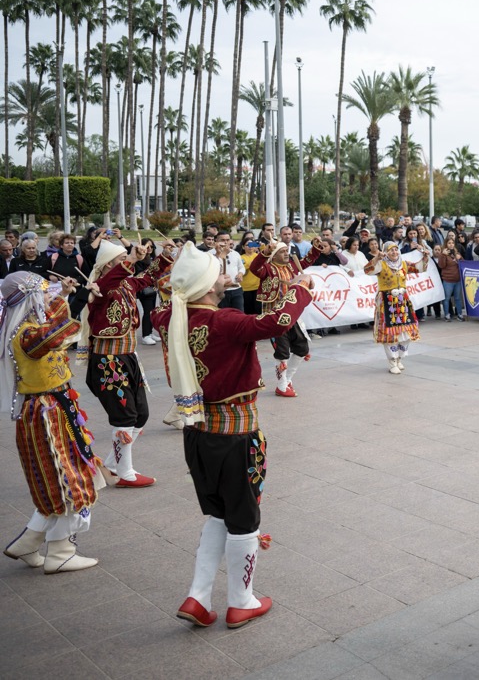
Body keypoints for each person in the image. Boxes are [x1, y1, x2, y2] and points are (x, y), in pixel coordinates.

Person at [154, 242, 315, 629]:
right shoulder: (221, 321)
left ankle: (198, 596)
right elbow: (275, 323)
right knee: (243, 519)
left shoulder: (171, 318)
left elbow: (168, 298)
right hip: (234, 436)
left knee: (217, 516)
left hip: (197, 434)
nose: (225, 274)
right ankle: (241, 600)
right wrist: (303, 290)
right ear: (208, 287)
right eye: (217, 273)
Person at [2, 272, 106, 574]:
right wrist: (64, 300)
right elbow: (55, 334)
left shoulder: (27, 328)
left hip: (55, 407)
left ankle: (29, 542)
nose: (49, 298)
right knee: (65, 478)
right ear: (30, 298)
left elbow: (56, 331)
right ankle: (61, 552)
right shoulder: (26, 334)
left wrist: (64, 298)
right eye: (43, 294)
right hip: (46, 412)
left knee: (60, 477)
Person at [80, 238, 168, 488]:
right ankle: (125, 472)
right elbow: (107, 285)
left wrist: (165, 256)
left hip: (128, 356)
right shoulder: (98, 287)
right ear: (108, 264)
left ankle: (112, 464)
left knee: (141, 414)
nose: (127, 264)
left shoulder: (127, 283)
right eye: (121, 260)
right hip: (108, 360)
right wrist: (130, 260)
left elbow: (148, 277)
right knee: (124, 415)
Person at [249, 240, 320, 397]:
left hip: (291, 314)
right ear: (274, 256)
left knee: (302, 348)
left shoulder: (290, 267)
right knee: (282, 351)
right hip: (274, 315)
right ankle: (282, 386)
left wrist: (316, 248)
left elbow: (307, 261)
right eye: (282, 252)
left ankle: (286, 379)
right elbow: (254, 268)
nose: (286, 253)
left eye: (287, 251)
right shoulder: (267, 268)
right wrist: (265, 252)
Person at [366, 242, 422, 374]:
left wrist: (425, 256)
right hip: (387, 301)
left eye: (396, 250)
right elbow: (367, 270)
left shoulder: (403, 264)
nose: (394, 252)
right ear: (385, 252)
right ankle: (392, 362)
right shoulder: (381, 264)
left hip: (402, 301)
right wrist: (376, 258)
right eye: (391, 250)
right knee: (390, 333)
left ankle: (399, 359)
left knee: (406, 332)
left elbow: (419, 268)